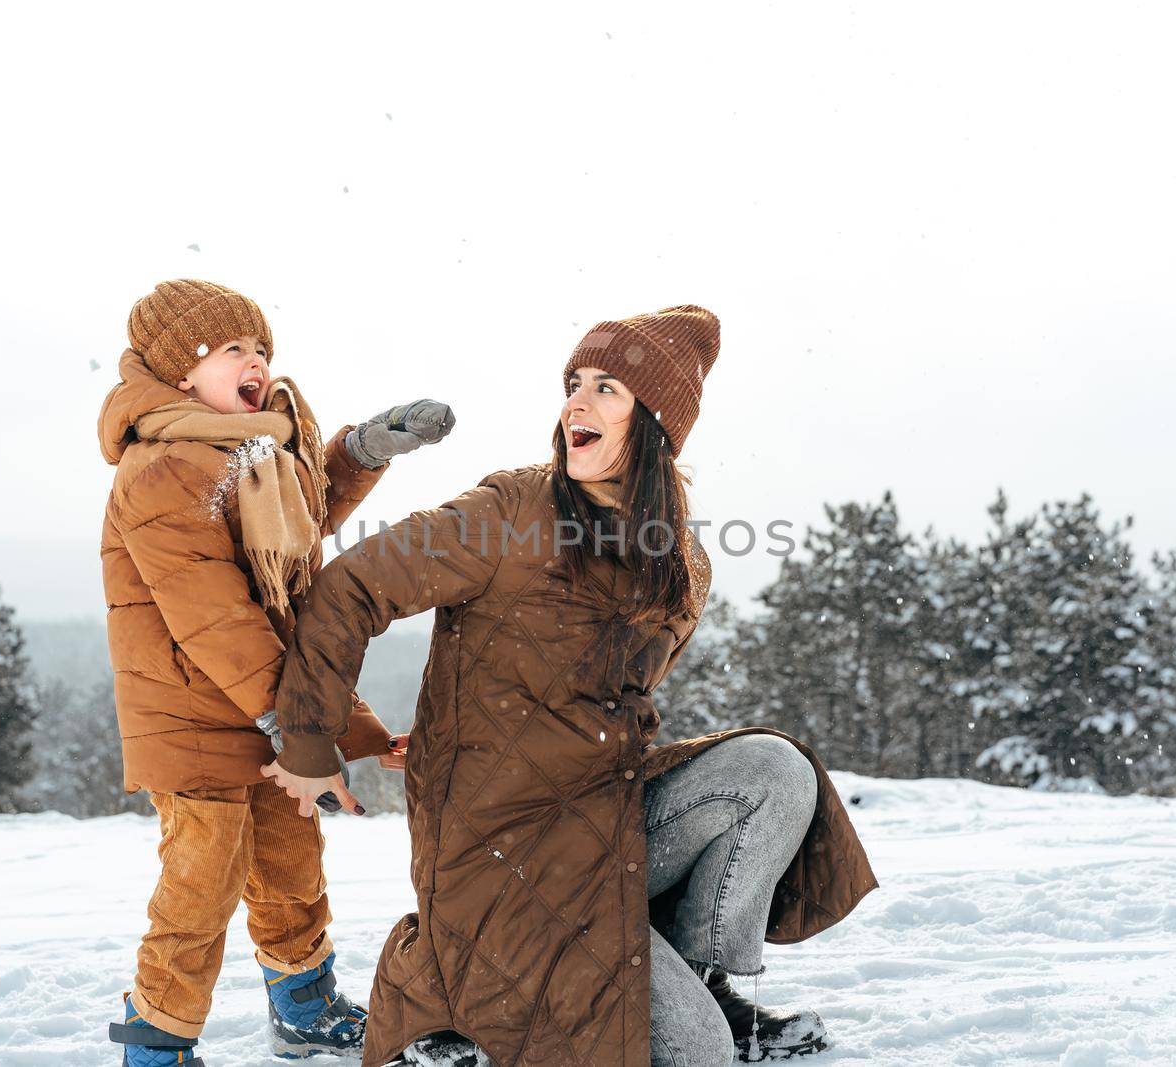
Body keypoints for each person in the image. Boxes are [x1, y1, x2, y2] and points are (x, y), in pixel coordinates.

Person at [262, 305, 878, 1067]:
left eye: (607, 387)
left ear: (654, 423)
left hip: (600, 816)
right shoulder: (508, 511)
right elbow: (350, 585)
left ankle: (698, 973)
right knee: (697, 1054)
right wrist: (310, 737)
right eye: (573, 383)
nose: (575, 404)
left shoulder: (680, 562)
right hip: (499, 847)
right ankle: (435, 988)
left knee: (776, 771)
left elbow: (607, 708)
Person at [98, 279, 455, 1064]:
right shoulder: (161, 469)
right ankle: (155, 1040)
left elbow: (304, 514)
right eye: (233, 348)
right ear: (181, 370)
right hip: (194, 715)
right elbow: (213, 615)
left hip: (260, 710)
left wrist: (366, 449)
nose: (256, 361)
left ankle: (303, 1003)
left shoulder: (253, 454)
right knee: (202, 881)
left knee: (292, 861)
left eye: (261, 347)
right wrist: (294, 723)